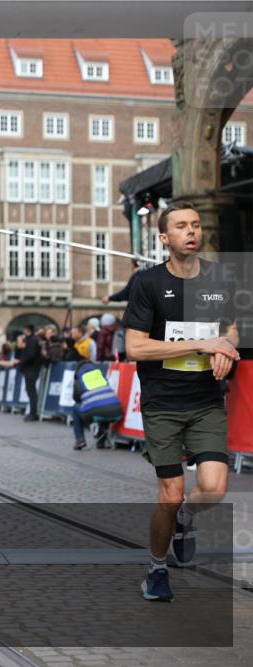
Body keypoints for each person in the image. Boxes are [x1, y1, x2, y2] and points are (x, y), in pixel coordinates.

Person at [123, 201, 239, 602]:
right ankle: (156, 569)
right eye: (181, 226)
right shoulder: (148, 283)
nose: (191, 231)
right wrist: (202, 343)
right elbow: (135, 347)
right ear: (164, 238)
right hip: (163, 403)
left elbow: (232, 327)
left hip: (207, 400)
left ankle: (185, 518)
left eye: (196, 224)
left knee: (214, 488)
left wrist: (226, 346)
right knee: (169, 495)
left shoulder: (219, 279)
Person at [70, 359, 123, 450]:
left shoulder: (80, 379)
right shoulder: (101, 375)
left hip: (97, 411)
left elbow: (76, 399)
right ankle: (101, 442)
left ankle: (80, 440)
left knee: (76, 408)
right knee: (102, 406)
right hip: (117, 411)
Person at [17, 324, 44, 421]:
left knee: (31, 390)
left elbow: (30, 355)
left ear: (27, 330)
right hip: (30, 368)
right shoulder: (31, 340)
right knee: (30, 390)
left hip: (31, 368)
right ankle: (33, 412)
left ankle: (33, 413)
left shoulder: (32, 340)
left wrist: (22, 363)